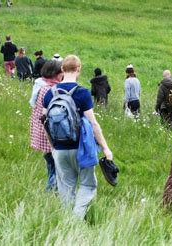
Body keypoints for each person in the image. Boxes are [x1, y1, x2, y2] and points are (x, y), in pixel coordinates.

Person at [42, 55, 113, 219]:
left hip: (59, 149)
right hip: (81, 149)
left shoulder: (49, 93)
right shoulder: (82, 93)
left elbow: (44, 122)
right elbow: (93, 124)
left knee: (66, 188)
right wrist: (105, 148)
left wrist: (52, 147)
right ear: (78, 69)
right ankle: (76, 220)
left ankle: (67, 221)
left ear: (62, 69)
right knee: (88, 185)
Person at [29, 60, 63, 191]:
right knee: (55, 165)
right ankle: (51, 190)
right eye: (61, 72)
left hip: (41, 133)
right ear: (55, 73)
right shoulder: (51, 90)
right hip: (49, 135)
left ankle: (52, 188)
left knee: (50, 164)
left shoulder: (40, 86)